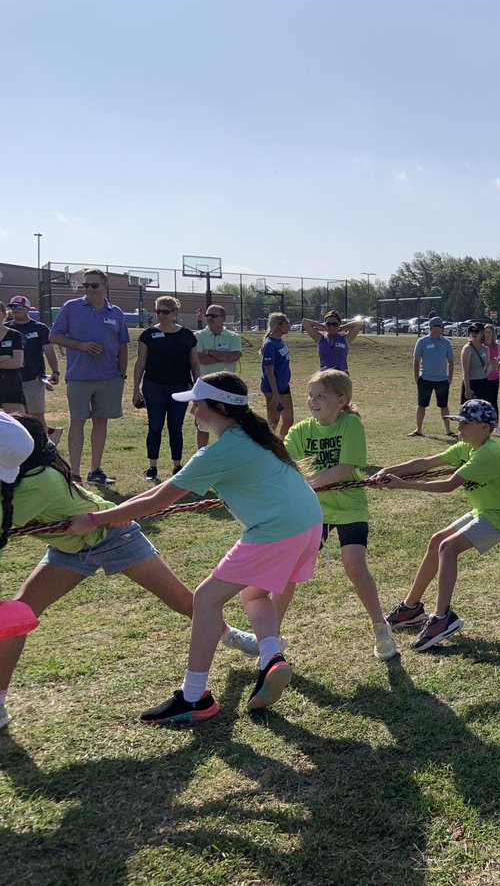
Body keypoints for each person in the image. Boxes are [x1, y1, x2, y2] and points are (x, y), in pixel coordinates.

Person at [68, 373, 323, 724]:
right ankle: (271, 658)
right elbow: (160, 492)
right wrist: (116, 514)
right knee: (254, 595)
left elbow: (159, 499)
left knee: (205, 599)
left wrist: (96, 519)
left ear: (220, 407)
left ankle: (193, 698)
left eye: (197, 404)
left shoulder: (219, 452)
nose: (192, 411)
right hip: (307, 524)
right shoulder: (251, 436)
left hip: (277, 531)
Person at [0, 413, 258, 731]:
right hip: (70, 546)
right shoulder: (20, 471)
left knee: (183, 602)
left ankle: (232, 636)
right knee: (18, 613)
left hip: (112, 534)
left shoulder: (37, 482)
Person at [378, 399, 500, 650]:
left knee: (448, 547)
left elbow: (448, 486)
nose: (460, 428)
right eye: (459, 422)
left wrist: (403, 485)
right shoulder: (466, 447)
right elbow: (426, 462)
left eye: (466, 423)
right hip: (486, 509)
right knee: (437, 540)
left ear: (486, 427)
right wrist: (387, 470)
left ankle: (441, 618)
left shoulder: (488, 453)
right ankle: (411, 608)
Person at [283, 370, 395, 661]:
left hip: (349, 507)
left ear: (341, 400)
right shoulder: (299, 431)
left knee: (355, 567)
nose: (313, 401)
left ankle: (380, 627)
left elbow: (345, 467)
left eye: (321, 396)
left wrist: (308, 483)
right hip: (314, 511)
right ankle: (270, 636)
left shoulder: (350, 425)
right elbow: (284, 463)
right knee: (289, 570)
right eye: (310, 395)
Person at [48, 268, 129, 485]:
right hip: (79, 376)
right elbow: (54, 336)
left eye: (94, 285)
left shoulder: (116, 312)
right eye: (85, 285)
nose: (89, 289)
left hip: (109, 377)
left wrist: (121, 373)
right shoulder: (71, 307)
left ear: (104, 286)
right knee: (77, 421)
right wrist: (81, 346)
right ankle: (74, 473)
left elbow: (123, 345)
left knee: (101, 421)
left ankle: (95, 471)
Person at [132, 295, 201, 481]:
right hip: (154, 386)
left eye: (165, 312)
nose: (161, 315)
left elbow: (194, 363)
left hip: (180, 387)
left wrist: (198, 386)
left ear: (175, 313)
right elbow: (140, 363)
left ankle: (177, 465)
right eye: (158, 311)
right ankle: (152, 467)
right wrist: (136, 389)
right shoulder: (148, 335)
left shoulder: (187, 335)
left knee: (176, 426)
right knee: (155, 426)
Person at [5, 296, 59, 427]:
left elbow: (49, 351)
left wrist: (55, 371)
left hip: (33, 378)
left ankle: (44, 439)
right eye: (12, 307)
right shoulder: (5, 328)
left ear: (28, 309)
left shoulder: (39, 328)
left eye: (19, 307)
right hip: (10, 379)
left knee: (36, 415)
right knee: (14, 417)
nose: (15, 310)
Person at [195, 305, 243, 449]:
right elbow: (200, 359)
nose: (209, 318)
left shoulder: (233, 337)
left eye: (213, 316)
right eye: (207, 315)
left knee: (229, 421)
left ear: (223, 318)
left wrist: (210, 352)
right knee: (202, 423)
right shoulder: (198, 336)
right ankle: (201, 453)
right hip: (205, 385)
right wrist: (224, 357)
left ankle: (227, 451)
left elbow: (235, 356)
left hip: (227, 387)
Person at [411, 316, 455, 438]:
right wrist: (416, 377)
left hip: (442, 380)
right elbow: (416, 360)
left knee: (444, 406)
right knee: (421, 405)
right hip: (425, 379)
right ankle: (419, 429)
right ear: (432, 327)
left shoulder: (446, 342)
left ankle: (448, 430)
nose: (442, 328)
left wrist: (450, 377)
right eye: (440, 326)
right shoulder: (422, 341)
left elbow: (451, 361)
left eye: (442, 326)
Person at [260, 312, 294, 437]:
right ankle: (267, 445)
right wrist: (275, 395)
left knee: (289, 420)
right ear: (278, 325)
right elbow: (269, 373)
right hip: (273, 388)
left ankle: (281, 443)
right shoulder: (269, 344)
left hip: (283, 385)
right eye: (286, 323)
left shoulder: (280, 340)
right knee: (273, 422)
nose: (289, 326)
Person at [460, 323, 492, 407]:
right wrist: (467, 389)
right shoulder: (467, 348)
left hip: (483, 383)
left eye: (476, 331)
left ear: (482, 333)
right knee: (468, 411)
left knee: (484, 410)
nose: (473, 333)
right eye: (471, 331)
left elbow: (487, 368)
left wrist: (492, 365)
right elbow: (465, 372)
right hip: (471, 383)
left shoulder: (486, 349)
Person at [0, 316, 26, 414]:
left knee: (17, 418)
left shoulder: (14, 335)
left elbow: (17, 362)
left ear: (3, 314)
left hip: (10, 382)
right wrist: (3, 358)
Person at [481, 323, 500, 426]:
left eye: (489, 332)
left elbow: (499, 361)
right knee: (483, 401)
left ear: (493, 333)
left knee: (493, 401)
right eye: (485, 332)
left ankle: (495, 423)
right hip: (483, 377)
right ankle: (483, 422)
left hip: (494, 378)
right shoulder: (481, 346)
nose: (487, 334)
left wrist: (497, 364)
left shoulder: (497, 346)